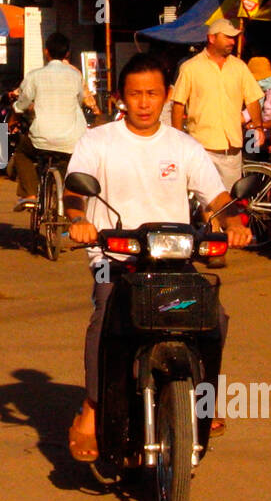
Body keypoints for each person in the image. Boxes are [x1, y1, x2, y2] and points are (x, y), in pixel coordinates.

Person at [65, 53, 252, 458]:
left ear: (167, 96)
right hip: (113, 258)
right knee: (105, 314)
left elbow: (215, 196)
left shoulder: (184, 146)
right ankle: (93, 407)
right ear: (120, 97)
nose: (145, 102)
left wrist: (233, 221)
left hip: (173, 259)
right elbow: (74, 193)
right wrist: (79, 220)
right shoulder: (97, 141)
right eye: (136, 94)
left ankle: (203, 401)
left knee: (212, 318)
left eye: (152, 93)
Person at [169, 19, 264, 193]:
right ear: (212, 38)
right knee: (204, 200)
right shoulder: (190, 68)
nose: (232, 42)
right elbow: (178, 105)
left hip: (231, 151)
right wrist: (177, 138)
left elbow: (252, 99)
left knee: (230, 202)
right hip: (202, 148)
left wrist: (258, 126)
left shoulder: (239, 67)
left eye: (234, 38)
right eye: (227, 37)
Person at [9, 32, 99, 209]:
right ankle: (70, 203)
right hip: (72, 139)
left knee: (22, 153)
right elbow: (81, 99)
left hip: (42, 138)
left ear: (46, 52)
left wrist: (13, 119)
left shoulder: (35, 75)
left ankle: (30, 194)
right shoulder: (76, 76)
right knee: (69, 165)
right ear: (67, 54)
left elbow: (22, 103)